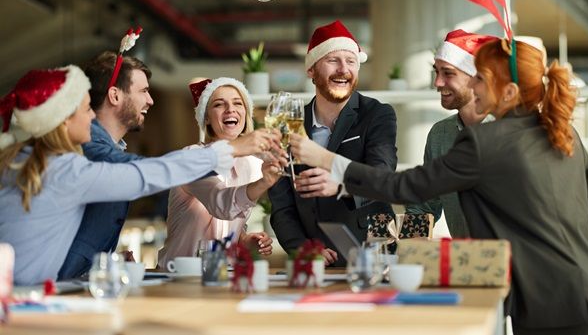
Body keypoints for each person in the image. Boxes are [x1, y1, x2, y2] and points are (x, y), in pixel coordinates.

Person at [290, 39, 588, 335]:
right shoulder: (562, 133)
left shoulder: (484, 142)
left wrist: (326, 159)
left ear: (508, 91)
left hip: (548, 311)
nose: (473, 84)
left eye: (480, 78)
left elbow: (404, 186)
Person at [0, 65, 281, 285]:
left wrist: (107, 258)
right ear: (63, 120)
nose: (92, 117)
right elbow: (145, 174)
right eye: (86, 109)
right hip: (25, 297)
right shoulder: (67, 171)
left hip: (29, 291)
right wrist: (232, 148)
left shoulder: (35, 162)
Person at [268, 20, 398, 266]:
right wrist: (302, 248)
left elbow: (382, 176)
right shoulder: (288, 124)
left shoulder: (377, 114)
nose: (343, 69)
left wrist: (341, 183)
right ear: (311, 71)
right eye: (332, 60)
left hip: (373, 253)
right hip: (316, 259)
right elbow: (281, 203)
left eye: (351, 62)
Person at [157, 78, 280, 267]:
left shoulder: (253, 165)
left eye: (238, 103)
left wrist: (244, 240)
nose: (230, 109)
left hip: (222, 274)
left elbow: (232, 225)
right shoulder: (193, 157)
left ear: (245, 113)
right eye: (219, 104)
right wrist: (264, 182)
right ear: (206, 117)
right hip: (179, 276)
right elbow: (221, 204)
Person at [58, 52, 152, 280]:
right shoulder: (91, 146)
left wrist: (109, 259)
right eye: (143, 91)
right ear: (115, 95)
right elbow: (135, 172)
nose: (150, 100)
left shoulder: (107, 146)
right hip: (58, 285)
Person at [406, 30, 496, 238]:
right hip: (464, 264)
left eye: (448, 73)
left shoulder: (514, 131)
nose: (437, 83)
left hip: (516, 266)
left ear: (477, 77)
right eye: (436, 72)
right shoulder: (440, 135)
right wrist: (409, 250)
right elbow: (423, 205)